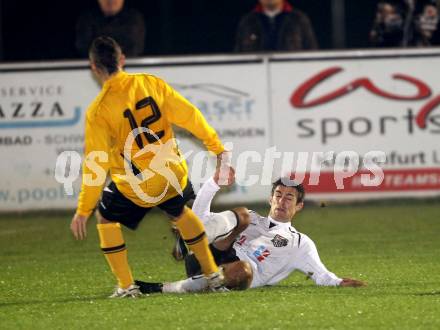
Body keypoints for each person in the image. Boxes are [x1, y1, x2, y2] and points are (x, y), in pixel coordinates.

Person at [70, 36, 233, 297]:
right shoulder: (150, 83)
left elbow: (96, 163)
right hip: (171, 173)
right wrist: (218, 148)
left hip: (138, 183)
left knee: (106, 218)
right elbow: (190, 116)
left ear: (94, 68)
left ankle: (126, 286)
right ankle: (213, 275)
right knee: (179, 213)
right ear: (122, 59)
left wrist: (83, 209)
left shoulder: (98, 110)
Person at [135, 170, 365, 294]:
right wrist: (213, 184)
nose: (282, 201)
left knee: (243, 270)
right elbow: (202, 219)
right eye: (278, 195)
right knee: (242, 216)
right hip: (205, 257)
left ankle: (159, 288)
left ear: (299, 206)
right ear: (270, 198)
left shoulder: (299, 243)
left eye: (289, 197)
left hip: (235, 274)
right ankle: (188, 242)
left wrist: (340, 282)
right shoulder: (253, 218)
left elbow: (322, 275)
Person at [235, 0, 318, 52]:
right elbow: (238, 59)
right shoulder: (247, 22)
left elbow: (313, 55)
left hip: (293, 77)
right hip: (255, 78)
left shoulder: (299, 19)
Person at [76, 0, 145, 58]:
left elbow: (134, 48)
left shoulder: (133, 18)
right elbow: (83, 48)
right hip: (94, 68)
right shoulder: (87, 18)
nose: (110, 0)